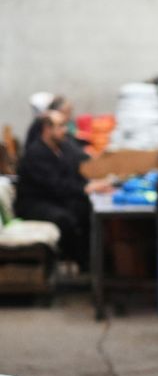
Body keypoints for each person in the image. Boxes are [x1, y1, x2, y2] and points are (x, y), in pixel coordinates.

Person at [15, 110, 114, 272]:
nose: (65, 130)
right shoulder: (36, 154)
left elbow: (83, 162)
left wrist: (100, 174)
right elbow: (55, 185)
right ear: (47, 129)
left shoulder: (64, 147)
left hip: (57, 198)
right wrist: (85, 188)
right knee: (65, 219)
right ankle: (78, 261)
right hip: (36, 203)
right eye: (60, 126)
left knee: (86, 209)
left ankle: (94, 261)